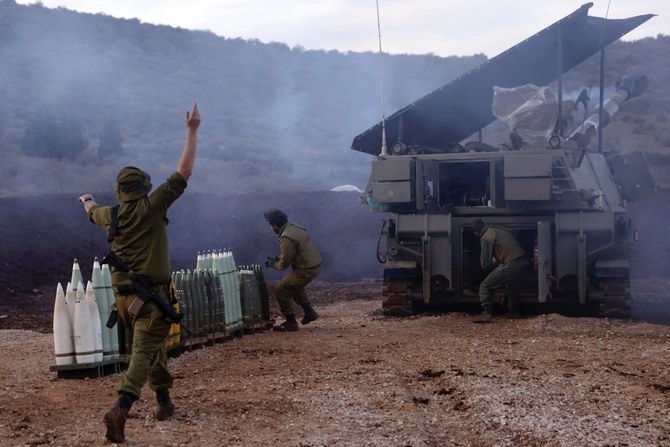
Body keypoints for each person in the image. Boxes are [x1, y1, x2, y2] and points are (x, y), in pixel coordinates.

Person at [79, 102, 201, 443]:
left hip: (123, 303)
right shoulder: (154, 205)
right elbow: (184, 172)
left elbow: (92, 210)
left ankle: (164, 401)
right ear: (144, 187)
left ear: (120, 192)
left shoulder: (110, 215)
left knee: (153, 346)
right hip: (150, 300)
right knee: (144, 352)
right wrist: (192, 130)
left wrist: (86, 201)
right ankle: (121, 407)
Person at [264, 209, 322, 332]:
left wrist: (272, 264)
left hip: (306, 268)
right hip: (314, 264)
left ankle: (290, 322)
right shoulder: (295, 228)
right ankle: (309, 312)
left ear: (275, 225)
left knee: (281, 289)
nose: (270, 228)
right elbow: (300, 248)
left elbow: (283, 264)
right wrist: (281, 258)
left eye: (270, 225)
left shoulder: (286, 237)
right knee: (294, 285)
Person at [471, 219, 529, 323]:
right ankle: (514, 312)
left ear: (476, 232)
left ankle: (486, 313)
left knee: (485, 286)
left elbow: (485, 264)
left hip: (510, 264)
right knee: (511, 284)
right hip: (523, 262)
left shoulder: (486, 237)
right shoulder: (500, 229)